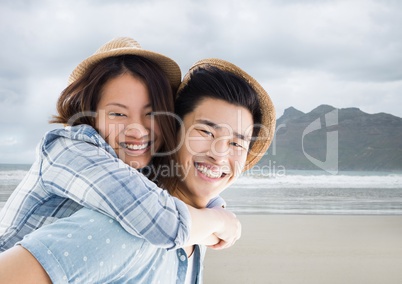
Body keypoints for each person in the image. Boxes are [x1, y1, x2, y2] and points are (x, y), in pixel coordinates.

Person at [0, 58, 276, 283]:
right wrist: (221, 220)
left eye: (237, 143)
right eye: (204, 131)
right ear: (173, 131)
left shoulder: (197, 230)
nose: (219, 153)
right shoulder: (124, 226)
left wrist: (216, 217)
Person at [0, 37, 240, 253]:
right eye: (118, 114)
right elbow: (165, 224)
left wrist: (213, 209)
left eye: (152, 113)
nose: (137, 130)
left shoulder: (134, 165)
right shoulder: (70, 150)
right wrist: (222, 221)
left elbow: (183, 196)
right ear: (91, 115)